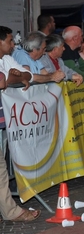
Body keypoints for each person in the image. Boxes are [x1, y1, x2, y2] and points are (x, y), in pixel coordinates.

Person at [0, 25, 40, 222]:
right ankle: (10, 212)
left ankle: (10, 211)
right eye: (9, 40)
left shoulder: (5, 60)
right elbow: (3, 81)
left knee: (1, 170)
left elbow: (25, 75)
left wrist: (17, 75)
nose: (13, 43)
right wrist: (15, 76)